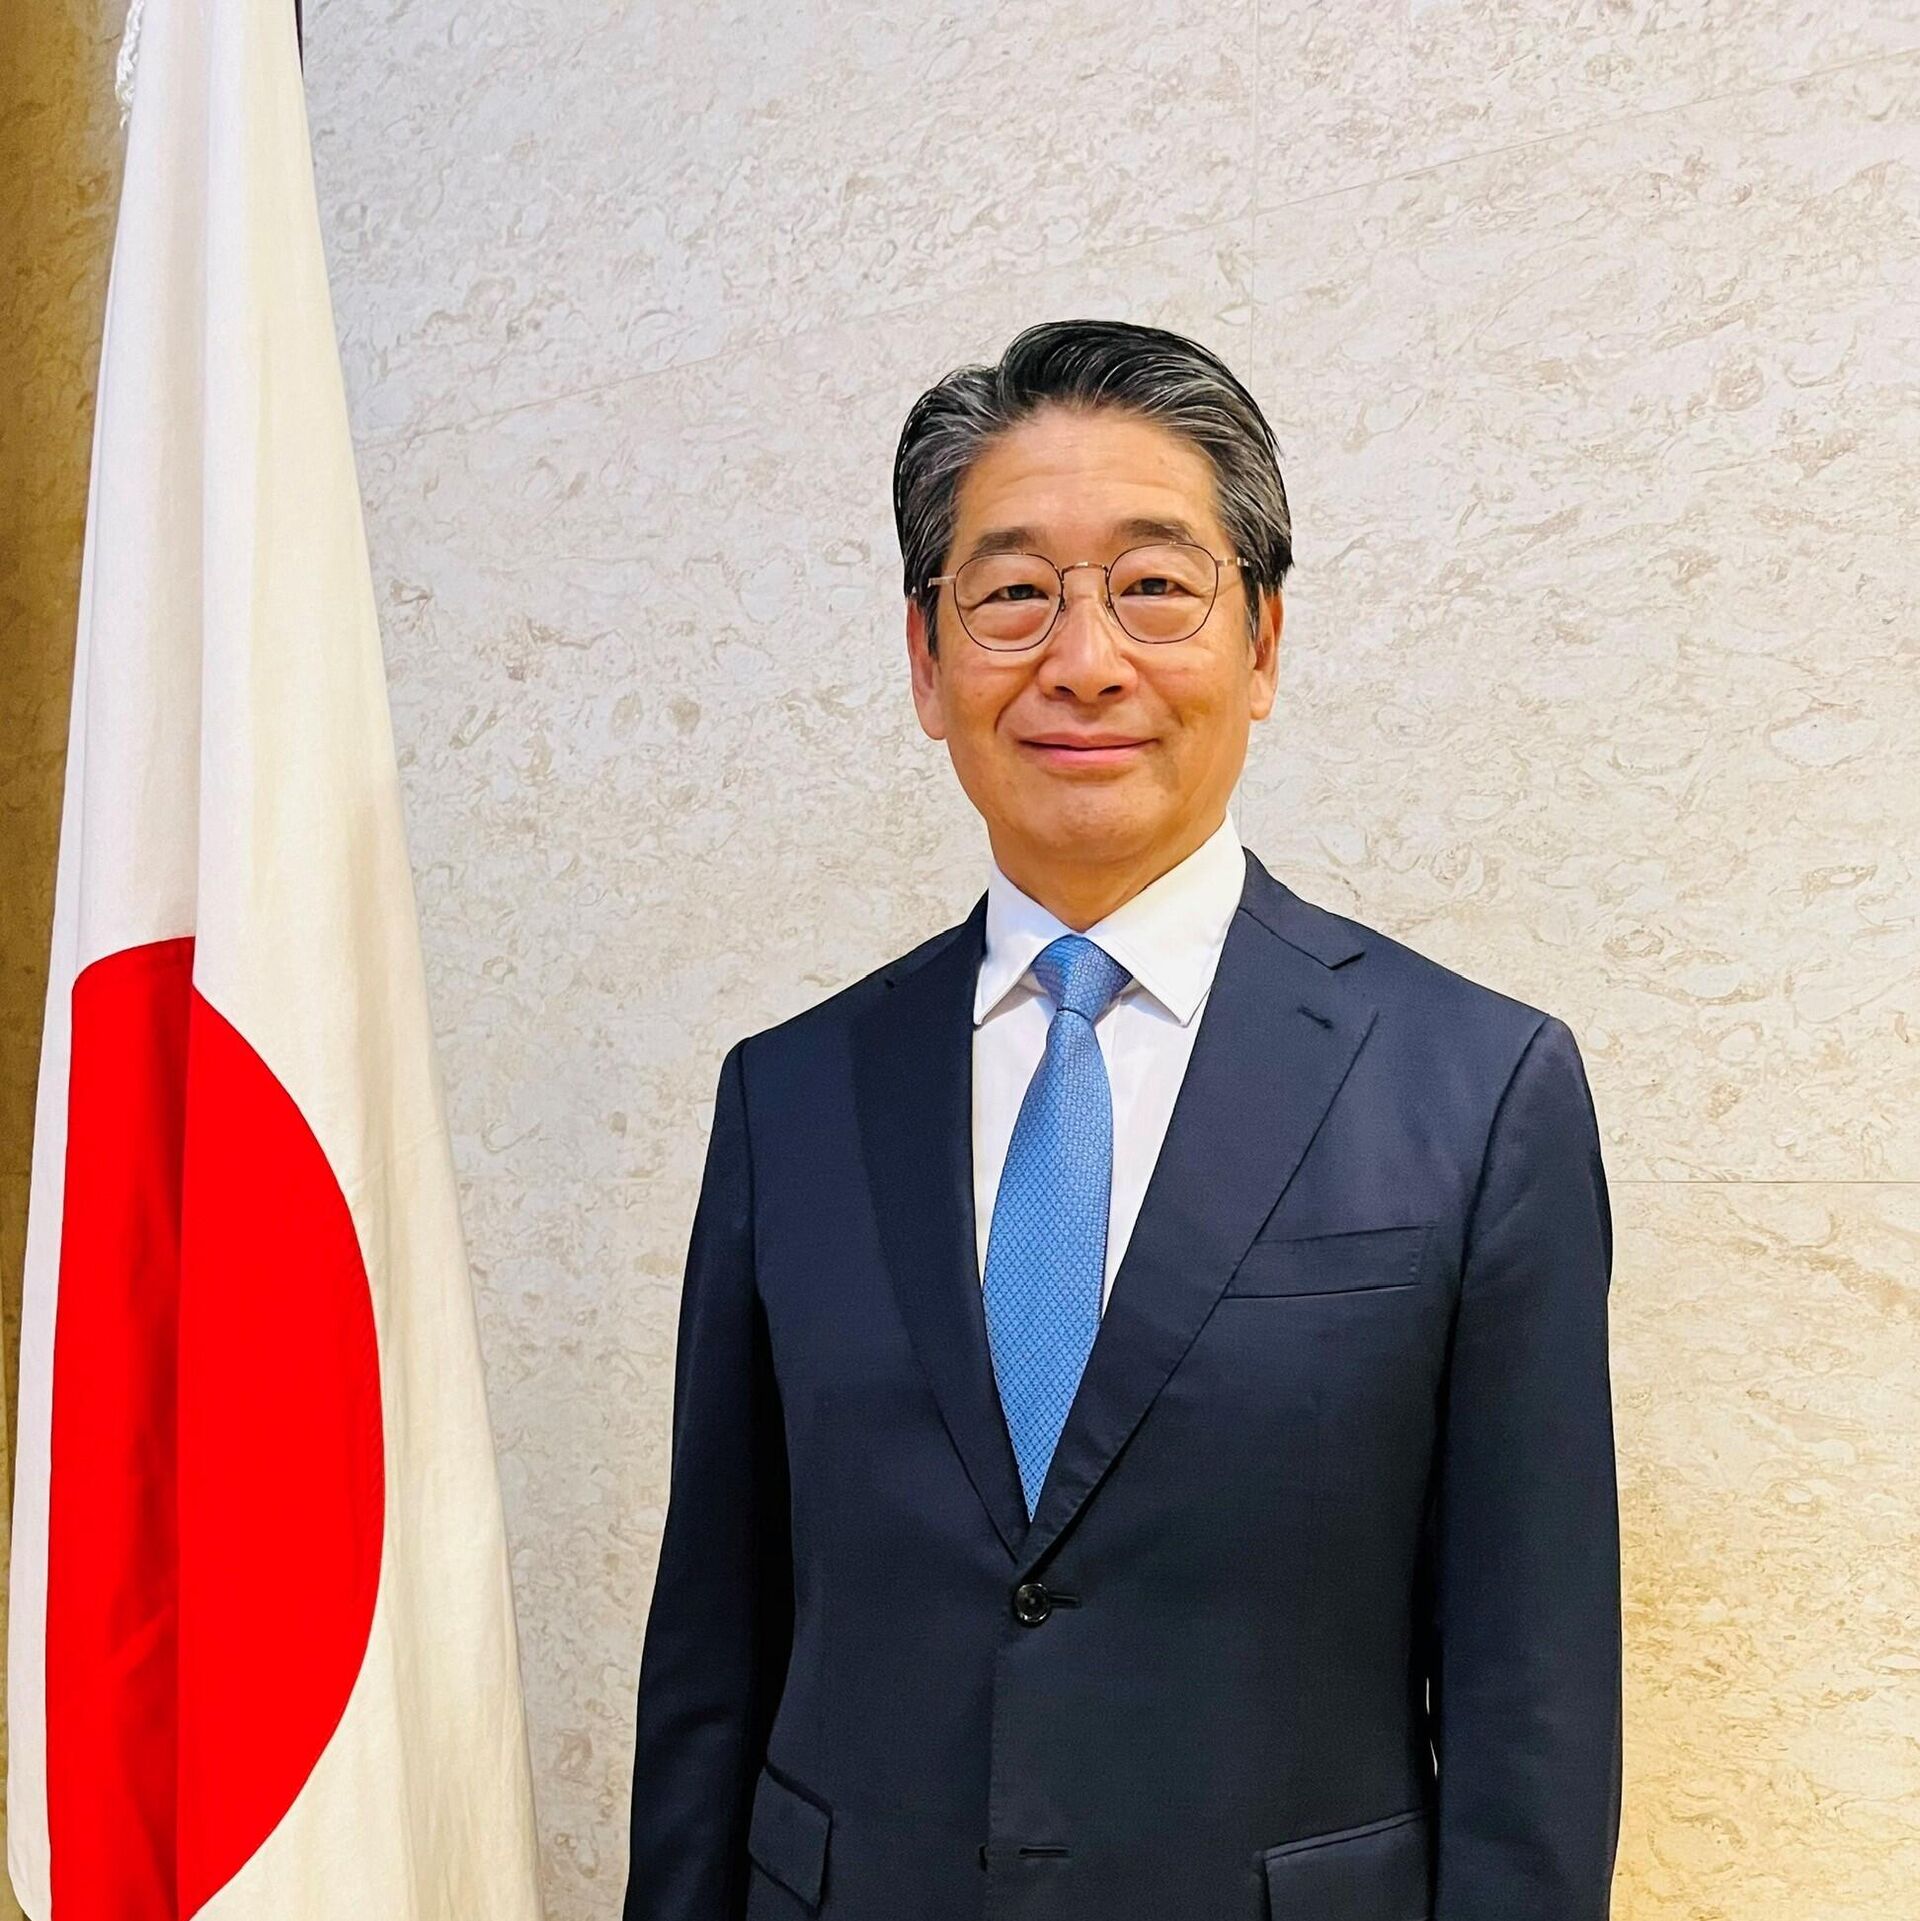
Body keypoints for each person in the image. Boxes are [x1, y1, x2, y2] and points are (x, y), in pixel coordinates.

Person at [622, 319, 1620, 1921]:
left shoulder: (1479, 1090)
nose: (1084, 660)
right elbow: (713, 1659)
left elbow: (1536, 1711)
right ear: (926, 660)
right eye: (1014, 591)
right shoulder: (789, 1096)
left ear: (1264, 643)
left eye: (1155, 585)